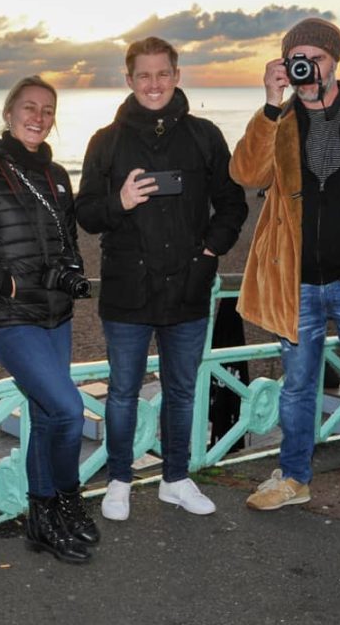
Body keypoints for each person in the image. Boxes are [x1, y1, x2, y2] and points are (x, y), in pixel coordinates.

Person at [230, 18, 340, 525]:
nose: (306, 69)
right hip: (294, 281)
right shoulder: (278, 120)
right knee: (297, 387)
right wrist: (271, 103)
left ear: (334, 61)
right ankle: (294, 479)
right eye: (295, 59)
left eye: (314, 59)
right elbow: (245, 173)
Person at [76, 37, 247, 521]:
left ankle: (176, 478)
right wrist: (120, 202)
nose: (154, 84)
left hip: (189, 286)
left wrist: (210, 251)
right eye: (143, 75)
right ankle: (119, 481)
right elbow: (86, 213)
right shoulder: (105, 141)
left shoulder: (205, 135)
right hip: (127, 290)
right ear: (128, 80)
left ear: (176, 75)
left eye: (163, 74)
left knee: (181, 390)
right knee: (124, 391)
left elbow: (232, 203)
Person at [0, 76, 98, 565]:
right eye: (28, 107)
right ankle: (65, 503)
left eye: (48, 110)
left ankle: (42, 520)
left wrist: (71, 271)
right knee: (69, 411)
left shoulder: (55, 176)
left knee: (46, 414)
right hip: (9, 315)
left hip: (55, 313)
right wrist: (2, 283)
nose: (38, 116)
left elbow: (67, 241)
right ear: (9, 113)